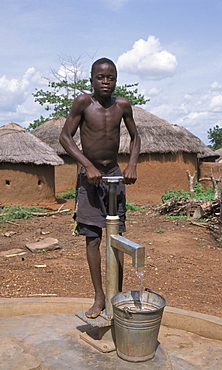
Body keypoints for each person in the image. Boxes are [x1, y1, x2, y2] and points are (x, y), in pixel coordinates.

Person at [59, 57, 141, 318]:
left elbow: (136, 137)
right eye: (101, 77)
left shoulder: (122, 106)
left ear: (116, 80)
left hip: (115, 176)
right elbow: (65, 137)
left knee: (116, 239)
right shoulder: (84, 103)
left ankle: (116, 295)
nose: (106, 82)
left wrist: (132, 165)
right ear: (91, 79)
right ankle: (98, 297)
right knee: (93, 239)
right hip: (90, 179)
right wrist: (86, 165)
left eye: (111, 77)